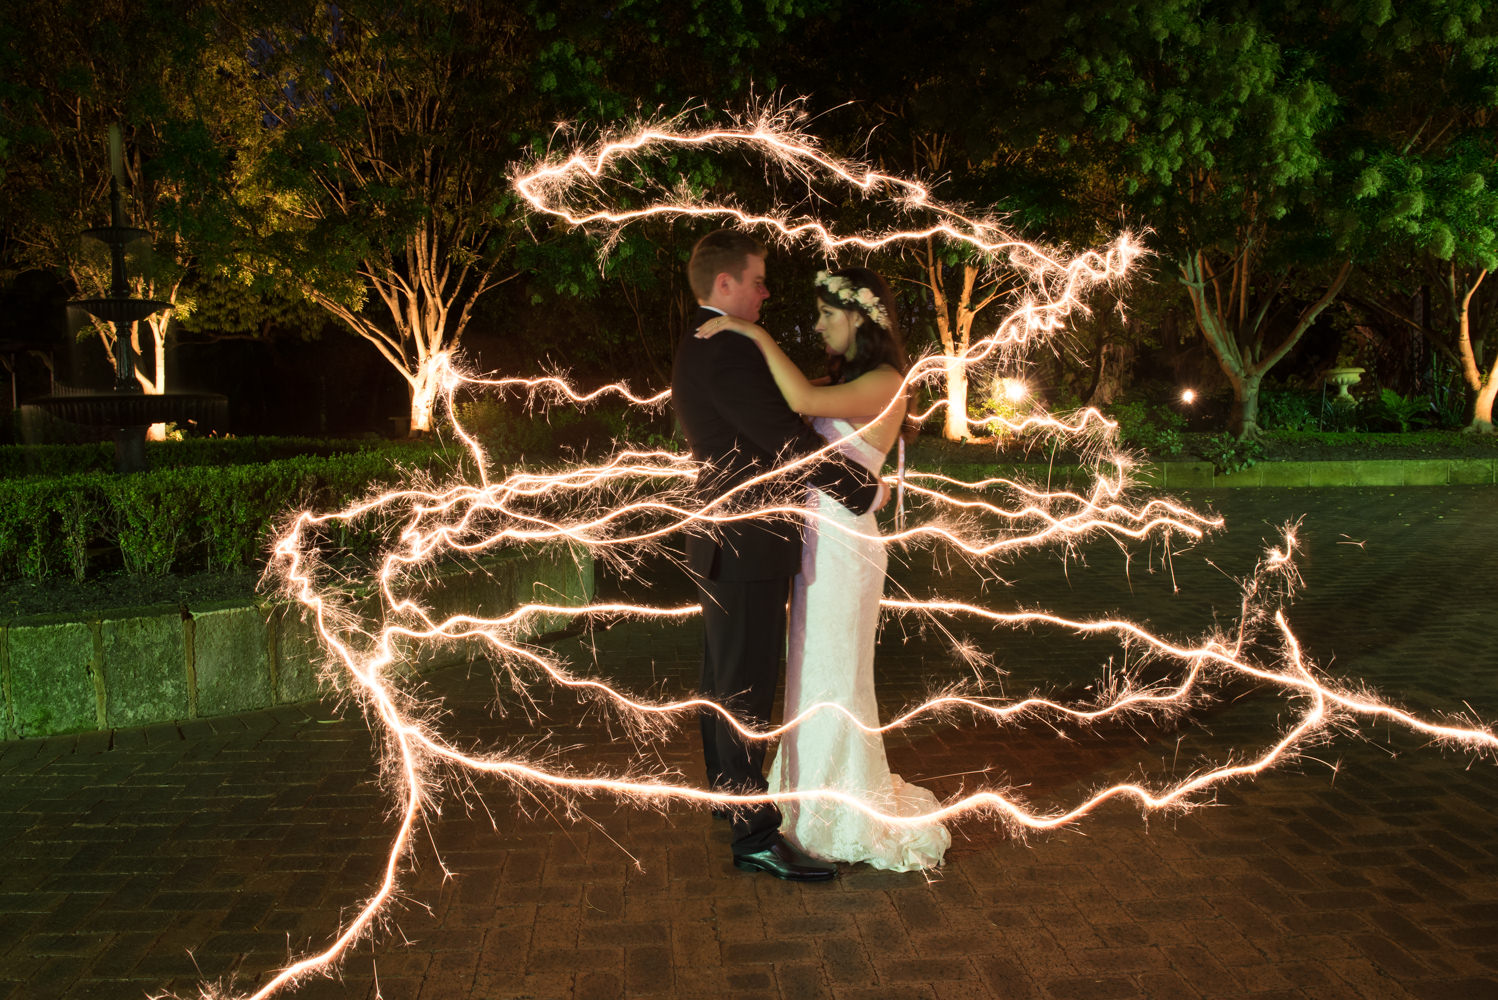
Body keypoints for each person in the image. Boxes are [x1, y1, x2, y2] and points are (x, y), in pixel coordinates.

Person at [695, 266, 950, 872]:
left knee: (831, 681)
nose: (817, 325)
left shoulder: (886, 379)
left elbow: (802, 403)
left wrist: (750, 335)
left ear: (859, 317)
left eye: (827, 315)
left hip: (842, 551)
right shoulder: (853, 378)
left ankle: (837, 808)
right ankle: (806, 797)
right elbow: (788, 403)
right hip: (817, 544)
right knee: (809, 679)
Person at [670, 231, 886, 882]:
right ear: (725, 284)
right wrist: (856, 487)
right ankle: (755, 837)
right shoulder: (728, 347)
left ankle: (729, 799)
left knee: (723, 680)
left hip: (725, 536)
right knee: (743, 687)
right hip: (747, 541)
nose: (766, 292)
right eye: (758, 281)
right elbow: (783, 437)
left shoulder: (702, 342)